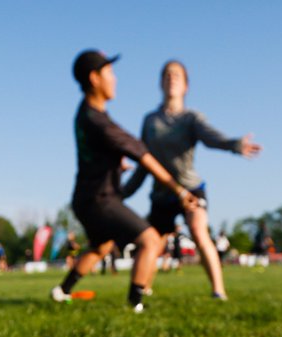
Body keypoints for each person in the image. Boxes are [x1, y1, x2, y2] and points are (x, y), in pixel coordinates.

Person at [53, 50, 199, 312]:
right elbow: (144, 156)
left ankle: (62, 291)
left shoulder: (85, 114)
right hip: (100, 199)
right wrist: (178, 190)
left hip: (86, 198)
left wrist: (114, 162)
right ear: (94, 78)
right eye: (109, 72)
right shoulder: (99, 121)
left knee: (100, 247)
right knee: (151, 240)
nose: (115, 79)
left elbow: (97, 151)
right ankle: (135, 304)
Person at [120, 59, 261, 300]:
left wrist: (233, 145)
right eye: (167, 75)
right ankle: (143, 289)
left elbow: (210, 138)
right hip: (162, 193)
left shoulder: (191, 118)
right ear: (160, 84)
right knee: (152, 241)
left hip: (191, 189)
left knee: (197, 229)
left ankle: (218, 290)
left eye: (177, 75)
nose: (171, 78)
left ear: (186, 85)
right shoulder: (150, 121)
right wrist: (120, 194)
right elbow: (144, 162)